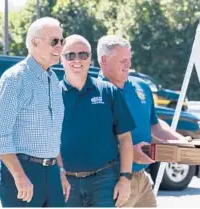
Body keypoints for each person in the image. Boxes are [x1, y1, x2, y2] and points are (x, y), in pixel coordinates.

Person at [97, 35, 192, 207]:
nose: (129, 65)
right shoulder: (94, 94)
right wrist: (130, 153)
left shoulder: (141, 86)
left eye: (129, 59)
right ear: (104, 60)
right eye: (122, 61)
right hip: (112, 180)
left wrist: (179, 141)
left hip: (142, 178)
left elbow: (154, 124)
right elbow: (92, 141)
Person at [0, 17, 70, 207]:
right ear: (35, 42)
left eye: (62, 41)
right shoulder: (14, 79)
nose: (60, 47)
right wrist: (19, 176)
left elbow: (53, 134)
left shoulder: (54, 80)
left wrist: (60, 171)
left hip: (52, 174)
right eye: (54, 41)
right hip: (23, 172)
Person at [59, 34, 135, 207]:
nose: (77, 60)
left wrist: (125, 179)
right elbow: (47, 140)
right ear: (61, 59)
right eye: (70, 55)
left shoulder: (109, 92)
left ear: (90, 59)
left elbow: (125, 139)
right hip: (65, 182)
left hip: (105, 180)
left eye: (83, 54)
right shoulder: (52, 95)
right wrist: (59, 173)